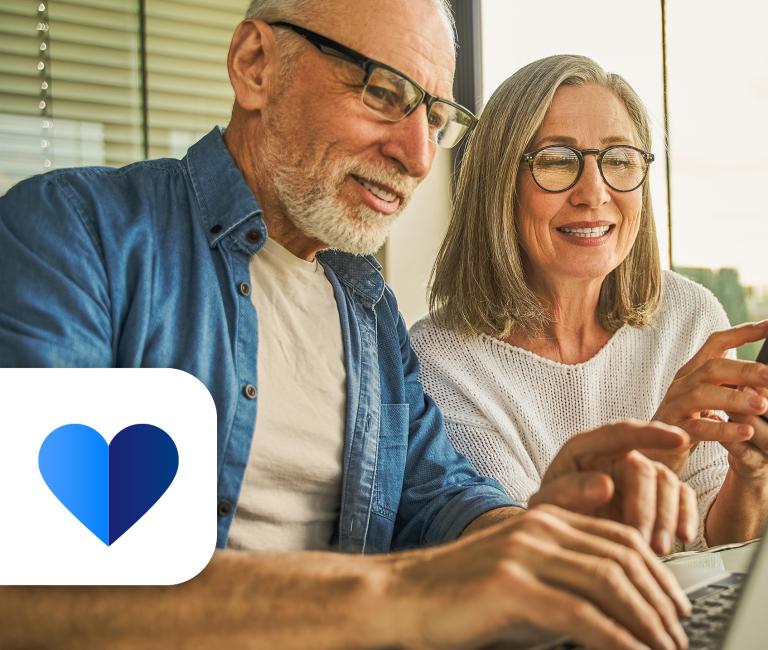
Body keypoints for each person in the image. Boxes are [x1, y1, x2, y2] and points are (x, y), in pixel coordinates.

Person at [0, 3, 696, 649]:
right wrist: (405, 591)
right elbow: (41, 584)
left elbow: (438, 496)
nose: (417, 156)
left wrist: (538, 534)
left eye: (434, 119)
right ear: (256, 66)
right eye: (384, 94)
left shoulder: (366, 307)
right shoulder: (77, 235)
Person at [411, 54, 768, 554]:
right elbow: (524, 565)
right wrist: (659, 447)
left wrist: (754, 472)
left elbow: (718, 551)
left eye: (619, 160)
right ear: (499, 184)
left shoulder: (689, 315)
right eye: (556, 161)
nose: (594, 192)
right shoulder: (439, 361)